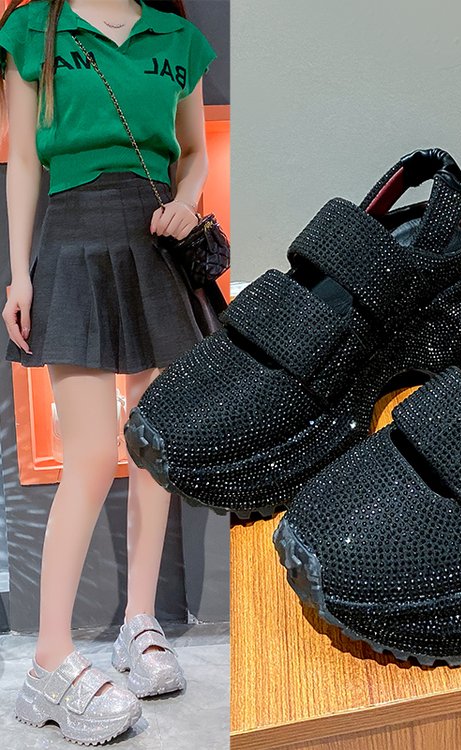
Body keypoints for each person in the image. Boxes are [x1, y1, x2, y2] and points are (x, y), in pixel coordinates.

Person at [0, 0, 218, 743]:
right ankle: (48, 661)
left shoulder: (178, 38)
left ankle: (139, 623)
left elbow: (194, 152)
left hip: (154, 245)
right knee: (92, 455)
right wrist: (19, 276)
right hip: (72, 240)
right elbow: (23, 159)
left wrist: (187, 202)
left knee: (151, 449)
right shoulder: (35, 27)